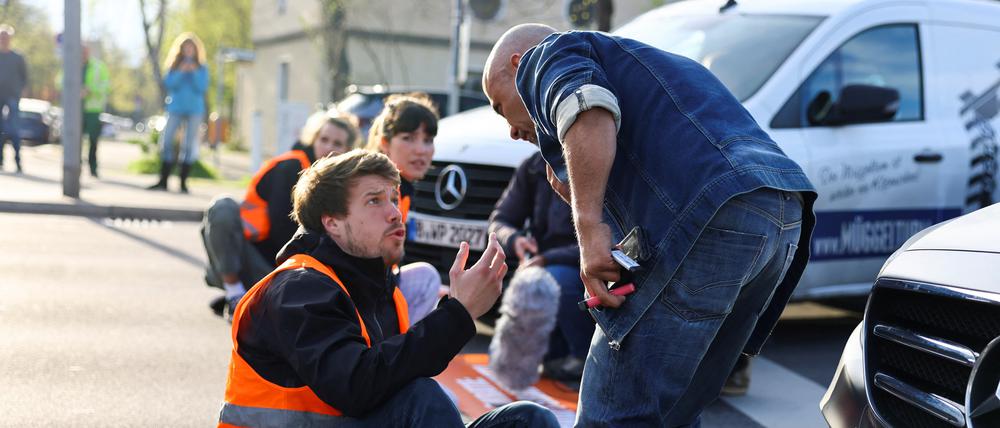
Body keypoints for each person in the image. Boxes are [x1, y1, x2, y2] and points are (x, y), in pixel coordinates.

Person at [483, 24, 817, 426]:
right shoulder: (664, 66)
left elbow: (586, 106)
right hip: (783, 215)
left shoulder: (551, 53)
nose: (512, 130)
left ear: (518, 66)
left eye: (499, 106)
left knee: (614, 415)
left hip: (711, 212)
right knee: (673, 414)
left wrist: (588, 229)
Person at [219, 149, 559, 428]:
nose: (395, 213)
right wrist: (459, 311)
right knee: (422, 398)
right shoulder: (299, 288)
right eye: (374, 201)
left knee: (529, 420)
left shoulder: (378, 286)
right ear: (332, 222)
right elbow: (356, 387)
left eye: (393, 198)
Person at [202, 110, 358, 319]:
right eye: (324, 139)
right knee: (223, 207)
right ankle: (235, 294)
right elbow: (283, 230)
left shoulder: (344, 183)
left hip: (294, 270)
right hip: (260, 260)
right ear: (313, 139)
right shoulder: (292, 166)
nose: (329, 148)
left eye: (337, 144)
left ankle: (256, 297)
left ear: (348, 150)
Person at [488, 152, 592, 382]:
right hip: (537, 265)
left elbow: (608, 238)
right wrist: (515, 239)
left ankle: (583, 357)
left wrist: (547, 259)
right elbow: (500, 220)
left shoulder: (596, 160)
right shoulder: (533, 166)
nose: (515, 133)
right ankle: (551, 356)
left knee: (550, 281)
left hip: (581, 265)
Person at [365, 93, 444, 323]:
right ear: (385, 143)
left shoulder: (399, 188)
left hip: (367, 291)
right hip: (354, 298)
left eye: (428, 140)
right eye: (408, 138)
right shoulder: (381, 188)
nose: (421, 150)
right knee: (428, 279)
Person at [148, 32, 208, 193]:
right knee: (167, 141)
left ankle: (182, 183)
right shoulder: (174, 66)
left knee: (188, 146)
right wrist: (181, 71)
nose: (188, 51)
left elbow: (201, 87)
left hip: (194, 110)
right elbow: (169, 84)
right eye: (185, 48)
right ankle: (163, 180)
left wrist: (194, 71)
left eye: (191, 48)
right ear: (181, 50)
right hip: (175, 108)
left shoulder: (201, 68)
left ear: (196, 50)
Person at [0, 24, 27, 174]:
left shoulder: (17, 57)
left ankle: (18, 161)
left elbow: (25, 78)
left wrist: (20, 92)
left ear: (10, 39)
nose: (3, 39)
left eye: (5, 37)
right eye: (1, 37)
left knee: (15, 130)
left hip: (12, 97)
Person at [81, 45, 110, 178]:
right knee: (75, 140)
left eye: (85, 51)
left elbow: (106, 85)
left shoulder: (99, 66)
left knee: (93, 140)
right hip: (76, 109)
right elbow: (60, 81)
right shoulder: (71, 64)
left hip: (93, 109)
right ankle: (76, 166)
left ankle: (93, 167)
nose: (83, 54)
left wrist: (90, 89)